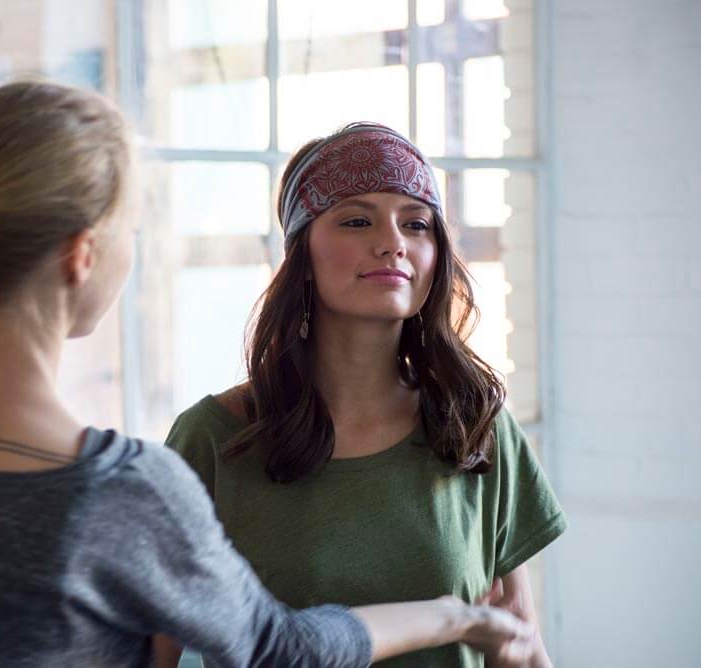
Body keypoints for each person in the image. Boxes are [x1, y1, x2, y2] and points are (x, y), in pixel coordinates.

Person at [0, 84, 538, 668]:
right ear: (82, 254)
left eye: (415, 221)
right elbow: (282, 650)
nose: (393, 244)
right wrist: (455, 617)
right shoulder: (122, 492)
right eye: (130, 230)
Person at [165, 122, 568, 667]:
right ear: (300, 256)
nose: (393, 243)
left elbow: (525, 647)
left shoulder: (476, 426)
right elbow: (153, 653)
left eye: (417, 224)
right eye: (356, 220)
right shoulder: (213, 439)